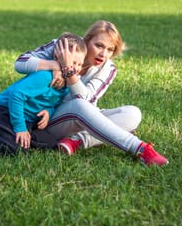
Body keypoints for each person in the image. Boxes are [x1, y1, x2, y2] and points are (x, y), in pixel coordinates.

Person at [14, 20, 168, 166]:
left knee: (132, 113)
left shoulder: (108, 68)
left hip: (82, 117)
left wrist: (68, 70)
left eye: (110, 49)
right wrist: (54, 64)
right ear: (87, 41)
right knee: (80, 106)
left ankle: (77, 141)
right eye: (99, 45)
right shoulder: (65, 46)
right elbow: (20, 62)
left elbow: (86, 99)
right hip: (45, 118)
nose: (104, 54)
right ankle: (140, 149)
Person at [0, 33, 87, 155]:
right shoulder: (45, 77)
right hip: (3, 113)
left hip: (28, 120)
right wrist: (20, 128)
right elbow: (16, 95)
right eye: (73, 62)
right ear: (58, 58)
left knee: (51, 144)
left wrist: (48, 111)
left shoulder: (66, 85)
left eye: (80, 64)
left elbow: (53, 103)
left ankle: (8, 138)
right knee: (14, 149)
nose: (76, 68)